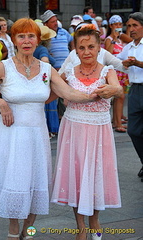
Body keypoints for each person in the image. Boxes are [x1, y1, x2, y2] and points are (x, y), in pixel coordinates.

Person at [0, 18, 99, 240]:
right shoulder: (4, 67)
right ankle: (12, 233)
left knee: (36, 182)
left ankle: (28, 233)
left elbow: (67, 93)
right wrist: (1, 104)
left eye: (31, 36)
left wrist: (94, 94)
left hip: (38, 136)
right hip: (12, 135)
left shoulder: (47, 69)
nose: (27, 41)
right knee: (15, 181)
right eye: (21, 36)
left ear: (38, 40)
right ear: (14, 40)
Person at [51, 24, 122, 240]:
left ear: (99, 47)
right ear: (75, 49)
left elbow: (117, 88)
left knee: (96, 176)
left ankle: (95, 220)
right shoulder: (69, 73)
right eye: (81, 48)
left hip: (99, 133)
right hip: (73, 130)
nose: (87, 52)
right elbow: (50, 90)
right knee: (77, 176)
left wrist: (115, 89)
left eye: (91, 46)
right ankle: (80, 225)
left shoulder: (108, 72)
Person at [117, 12, 143, 181]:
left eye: (135, 26)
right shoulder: (128, 47)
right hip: (134, 91)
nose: (131, 29)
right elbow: (116, 61)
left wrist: (137, 63)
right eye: (129, 26)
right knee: (133, 131)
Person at [34, 24, 59, 138]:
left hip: (35, 80)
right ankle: (49, 129)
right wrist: (46, 74)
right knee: (49, 104)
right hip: (43, 80)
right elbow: (45, 61)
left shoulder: (36, 49)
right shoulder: (43, 49)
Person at [105, 15, 129, 133]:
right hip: (114, 71)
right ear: (111, 26)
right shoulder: (109, 38)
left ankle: (117, 120)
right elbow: (108, 53)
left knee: (120, 97)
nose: (118, 27)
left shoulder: (122, 38)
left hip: (122, 70)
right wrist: (114, 39)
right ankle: (118, 123)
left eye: (120, 24)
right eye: (116, 25)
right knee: (119, 96)